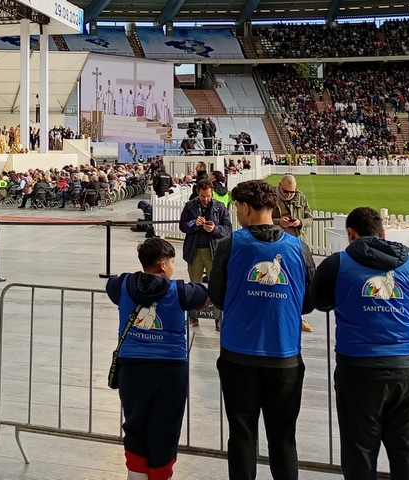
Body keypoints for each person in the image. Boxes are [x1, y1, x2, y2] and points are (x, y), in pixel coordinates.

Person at [311, 207, 409, 480]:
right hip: (407, 366)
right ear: (383, 232)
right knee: (406, 455)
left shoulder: (336, 263)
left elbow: (319, 302)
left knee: (359, 454)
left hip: (358, 367)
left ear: (351, 233)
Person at [208, 179, 316, 480]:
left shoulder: (231, 244)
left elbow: (217, 295)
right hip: (284, 355)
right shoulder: (298, 248)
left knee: (242, 435)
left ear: (244, 208)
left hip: (238, 353)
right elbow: (308, 301)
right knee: (283, 439)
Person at [106, 237, 208, 480]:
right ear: (163, 265)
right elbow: (203, 295)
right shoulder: (180, 291)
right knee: (165, 429)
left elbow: (111, 287)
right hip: (169, 370)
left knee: (135, 425)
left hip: (132, 368)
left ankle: (135, 475)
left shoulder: (121, 285)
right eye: (172, 262)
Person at [179, 179, 231, 329]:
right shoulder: (190, 206)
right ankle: (193, 318)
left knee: (216, 286)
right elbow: (183, 226)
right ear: (197, 192)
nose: (206, 199)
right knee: (194, 286)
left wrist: (214, 229)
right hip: (194, 251)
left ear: (212, 193)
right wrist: (193, 224)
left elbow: (228, 228)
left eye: (208, 196)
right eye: (203, 196)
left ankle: (218, 318)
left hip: (213, 251)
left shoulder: (220, 207)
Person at [272, 173, 315, 332]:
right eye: (286, 192)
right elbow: (262, 218)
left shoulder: (301, 197)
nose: (289, 195)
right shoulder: (270, 197)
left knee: (298, 282)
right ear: (279, 186)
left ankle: (299, 316)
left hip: (297, 246)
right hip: (277, 246)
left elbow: (310, 218)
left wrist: (300, 222)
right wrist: (278, 222)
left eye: (292, 192)